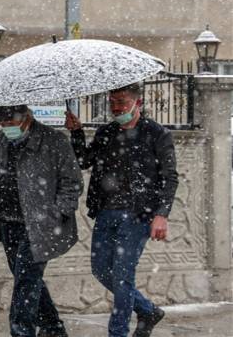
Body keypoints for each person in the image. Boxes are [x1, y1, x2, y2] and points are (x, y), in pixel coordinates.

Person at [64, 83, 178, 337]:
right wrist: (77, 133)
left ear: (137, 103)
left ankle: (117, 333)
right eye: (113, 103)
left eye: (122, 103)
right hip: (106, 212)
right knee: (101, 270)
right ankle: (147, 310)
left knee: (123, 276)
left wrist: (162, 215)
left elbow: (170, 177)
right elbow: (84, 161)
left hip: (139, 214)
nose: (116, 108)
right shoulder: (107, 132)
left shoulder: (156, 133)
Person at [0, 105, 83, 337]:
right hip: (8, 222)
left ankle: (21, 332)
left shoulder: (53, 140)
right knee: (26, 278)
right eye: (2, 125)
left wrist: (58, 214)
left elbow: (72, 182)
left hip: (40, 225)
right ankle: (53, 328)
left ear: (27, 118)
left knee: (25, 283)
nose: (7, 129)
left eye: (11, 124)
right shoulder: (0, 140)